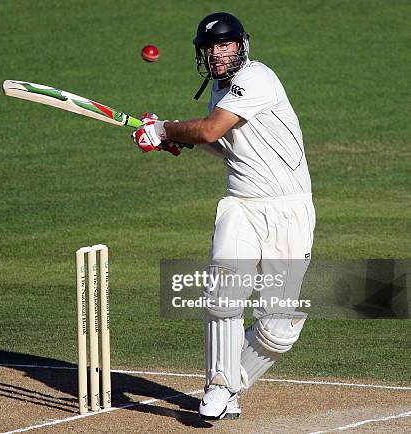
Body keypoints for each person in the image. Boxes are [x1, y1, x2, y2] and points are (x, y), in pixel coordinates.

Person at [131, 12, 315, 420]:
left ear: (241, 45)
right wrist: (177, 141)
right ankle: (217, 385)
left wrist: (164, 130)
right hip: (241, 205)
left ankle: (232, 386)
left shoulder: (258, 79)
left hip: (290, 210)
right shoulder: (218, 92)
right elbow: (224, 144)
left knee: (279, 328)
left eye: (224, 45)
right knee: (224, 289)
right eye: (210, 48)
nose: (217, 54)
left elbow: (211, 130)